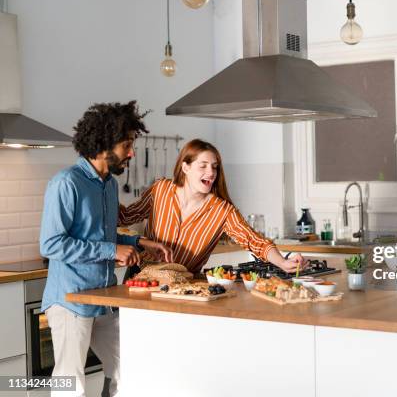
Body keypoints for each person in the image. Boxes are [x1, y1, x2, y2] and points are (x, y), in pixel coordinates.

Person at [40, 101, 171, 397]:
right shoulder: (66, 183)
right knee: (70, 385)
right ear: (104, 144)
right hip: (70, 300)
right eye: (127, 145)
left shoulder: (108, 185)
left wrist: (138, 242)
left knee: (131, 368)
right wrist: (112, 251)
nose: (132, 153)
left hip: (103, 298)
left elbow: (101, 236)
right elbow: (51, 244)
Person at [119, 138, 307, 274]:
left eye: (215, 166)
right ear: (185, 167)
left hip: (183, 287)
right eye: (203, 165)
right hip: (141, 278)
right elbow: (126, 217)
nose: (211, 172)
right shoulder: (160, 190)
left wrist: (282, 262)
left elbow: (254, 241)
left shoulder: (222, 211)